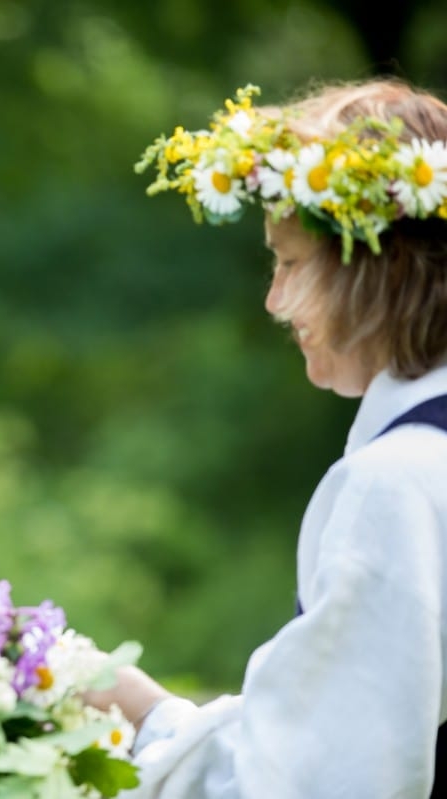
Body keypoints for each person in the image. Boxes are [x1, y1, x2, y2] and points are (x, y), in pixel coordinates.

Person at [85, 78, 447, 797]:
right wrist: (153, 711)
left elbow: (325, 782)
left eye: (288, 264)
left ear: (372, 267)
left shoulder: (397, 482)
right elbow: (341, 722)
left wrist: (144, 731)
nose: (274, 301)